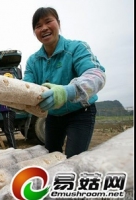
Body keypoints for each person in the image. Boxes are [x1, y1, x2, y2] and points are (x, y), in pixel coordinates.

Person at [23, 7, 106, 158]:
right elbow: (27, 87)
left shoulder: (77, 48)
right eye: (38, 26)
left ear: (58, 23)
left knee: (74, 158)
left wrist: (67, 91)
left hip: (80, 112)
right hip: (54, 116)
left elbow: (96, 74)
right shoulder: (33, 61)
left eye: (48, 21)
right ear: (34, 32)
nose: (44, 28)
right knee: (51, 156)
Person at [0, 72, 17, 149]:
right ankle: (12, 147)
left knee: (9, 130)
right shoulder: (7, 88)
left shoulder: (10, 89)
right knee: (8, 130)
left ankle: (13, 148)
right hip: (6, 111)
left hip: (8, 111)